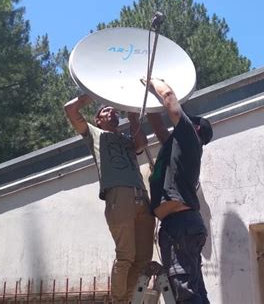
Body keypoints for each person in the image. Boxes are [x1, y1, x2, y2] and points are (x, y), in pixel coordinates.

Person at [64, 95, 155, 304]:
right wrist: (95, 93)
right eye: (105, 111)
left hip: (141, 195)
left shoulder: (126, 139)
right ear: (98, 120)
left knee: (142, 259)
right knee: (126, 256)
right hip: (118, 196)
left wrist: (133, 118)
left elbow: (141, 143)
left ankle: (128, 300)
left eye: (114, 110)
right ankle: (118, 301)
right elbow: (70, 109)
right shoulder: (94, 134)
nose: (112, 112)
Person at [144, 78, 213, 304]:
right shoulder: (179, 147)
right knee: (192, 290)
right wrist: (139, 104)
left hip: (180, 225)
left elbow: (169, 99)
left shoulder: (190, 137)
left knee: (185, 293)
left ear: (196, 129)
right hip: (182, 225)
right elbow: (159, 128)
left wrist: (154, 81)